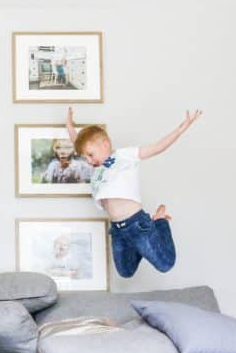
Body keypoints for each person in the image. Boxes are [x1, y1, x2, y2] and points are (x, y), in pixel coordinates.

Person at [68, 106, 202, 278]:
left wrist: (182, 128)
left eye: (90, 155)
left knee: (165, 264)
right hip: (117, 229)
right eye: (85, 158)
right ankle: (142, 244)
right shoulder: (97, 167)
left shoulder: (124, 156)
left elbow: (158, 147)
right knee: (126, 272)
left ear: (105, 144)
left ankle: (159, 222)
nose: (88, 161)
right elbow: (78, 142)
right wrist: (70, 126)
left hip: (136, 224)